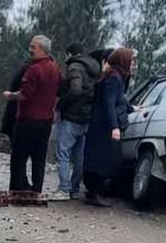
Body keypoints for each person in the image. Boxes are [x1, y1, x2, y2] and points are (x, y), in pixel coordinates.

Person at [3, 35, 62, 194]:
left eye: (32, 47)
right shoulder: (55, 68)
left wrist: (10, 96)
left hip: (28, 119)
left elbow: (25, 94)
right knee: (39, 158)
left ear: (42, 50)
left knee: (19, 157)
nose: (30, 50)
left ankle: (16, 189)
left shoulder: (34, 69)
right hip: (46, 121)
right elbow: (60, 91)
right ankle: (37, 190)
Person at [82, 48, 133, 208]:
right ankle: (93, 193)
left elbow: (118, 100)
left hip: (101, 123)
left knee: (100, 158)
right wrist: (114, 127)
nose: (134, 65)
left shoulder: (114, 77)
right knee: (101, 159)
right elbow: (109, 103)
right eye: (132, 61)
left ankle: (94, 192)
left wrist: (131, 108)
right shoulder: (114, 79)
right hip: (103, 125)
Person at [53, 42, 101, 200]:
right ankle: (74, 188)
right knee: (79, 156)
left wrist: (61, 104)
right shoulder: (94, 68)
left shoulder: (75, 67)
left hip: (72, 117)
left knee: (63, 153)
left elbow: (75, 90)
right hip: (86, 117)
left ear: (69, 54)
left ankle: (64, 189)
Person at [0, 59, 31, 144]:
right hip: (19, 112)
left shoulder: (28, 69)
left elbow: (25, 93)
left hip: (21, 113)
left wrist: (11, 95)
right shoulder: (28, 69)